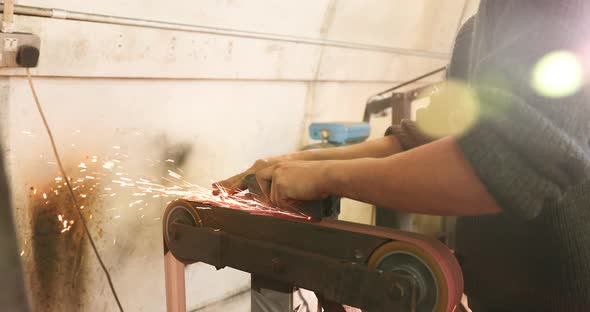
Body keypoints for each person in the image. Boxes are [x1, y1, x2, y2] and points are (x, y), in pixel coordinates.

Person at [217, 1, 590, 311]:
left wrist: (326, 177)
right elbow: (437, 136)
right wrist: (299, 162)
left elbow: (503, 164)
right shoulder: (479, 29)